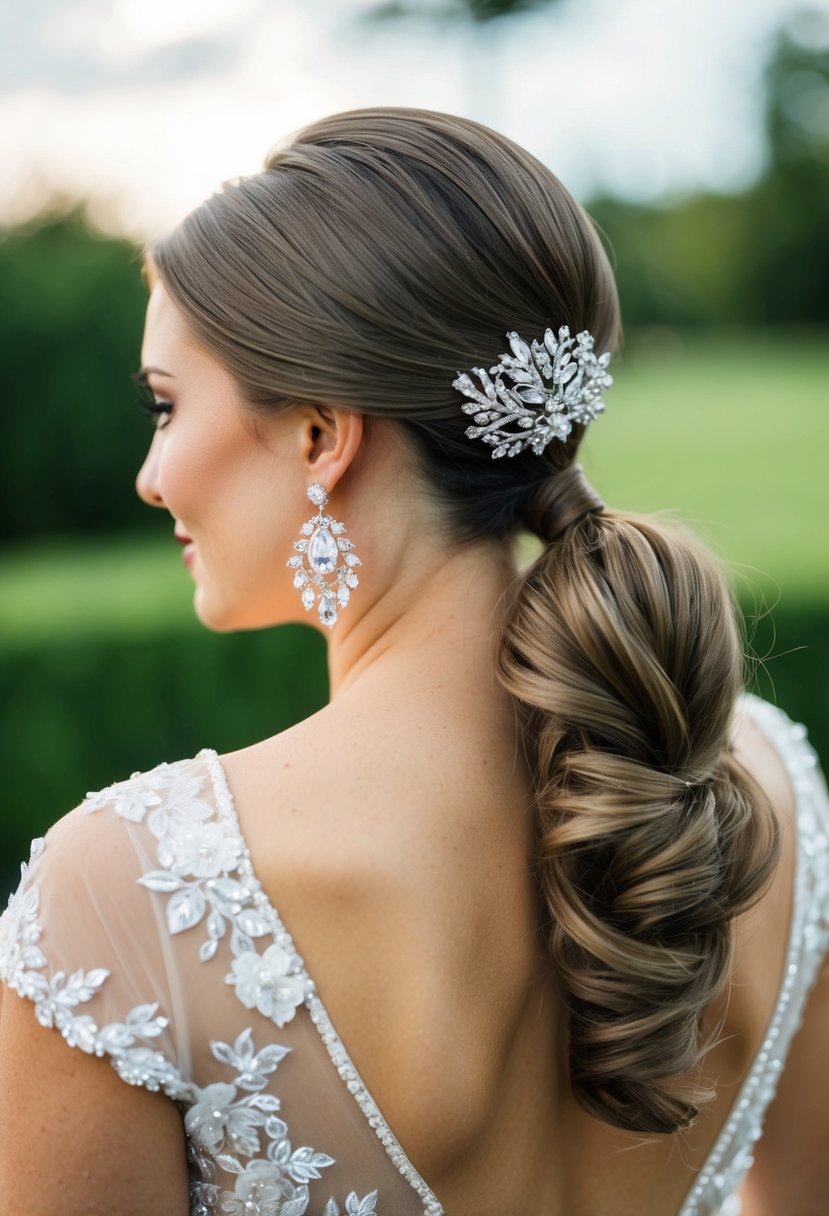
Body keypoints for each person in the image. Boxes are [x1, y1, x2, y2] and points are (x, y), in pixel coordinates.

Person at [0, 107, 827, 1216]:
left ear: (319, 435)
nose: (151, 475)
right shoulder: (759, 784)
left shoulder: (126, 896)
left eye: (166, 404)